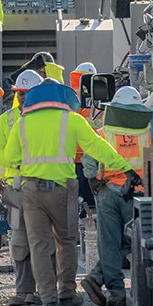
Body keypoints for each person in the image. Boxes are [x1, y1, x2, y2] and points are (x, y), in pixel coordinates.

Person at [4, 78, 138, 306]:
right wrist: (124, 167)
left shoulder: (22, 124)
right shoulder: (72, 120)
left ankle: (47, 299)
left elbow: (9, 158)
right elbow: (97, 147)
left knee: (38, 245)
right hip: (62, 190)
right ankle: (66, 294)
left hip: (31, 190)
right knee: (65, 242)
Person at [80, 86, 153, 306]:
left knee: (111, 242)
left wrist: (93, 180)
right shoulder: (148, 131)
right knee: (134, 241)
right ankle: (98, 279)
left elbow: (88, 159)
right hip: (137, 196)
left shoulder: (104, 132)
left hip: (108, 191)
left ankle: (114, 291)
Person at [0, 70, 44, 306]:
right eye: (20, 94)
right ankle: (24, 291)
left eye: (27, 93)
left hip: (41, 185)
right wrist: (13, 166)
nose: (22, 98)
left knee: (42, 240)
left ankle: (44, 290)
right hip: (16, 188)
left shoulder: (48, 119)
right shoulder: (5, 120)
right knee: (19, 241)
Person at [69, 62, 99, 215]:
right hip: (92, 155)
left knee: (77, 203)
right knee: (92, 204)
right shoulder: (96, 97)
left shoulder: (71, 96)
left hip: (73, 158)